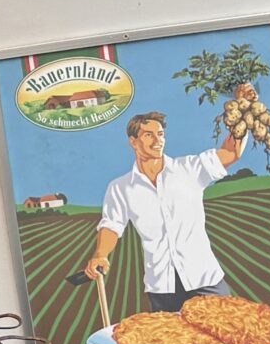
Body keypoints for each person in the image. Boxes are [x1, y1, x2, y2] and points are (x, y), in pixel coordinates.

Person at [83, 102, 250, 310]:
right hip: (162, 287)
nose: (157, 141)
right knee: (167, 332)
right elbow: (111, 225)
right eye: (149, 135)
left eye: (160, 134)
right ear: (133, 141)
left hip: (204, 278)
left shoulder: (190, 169)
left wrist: (244, 109)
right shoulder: (120, 187)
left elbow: (232, 152)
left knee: (226, 326)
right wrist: (100, 254)